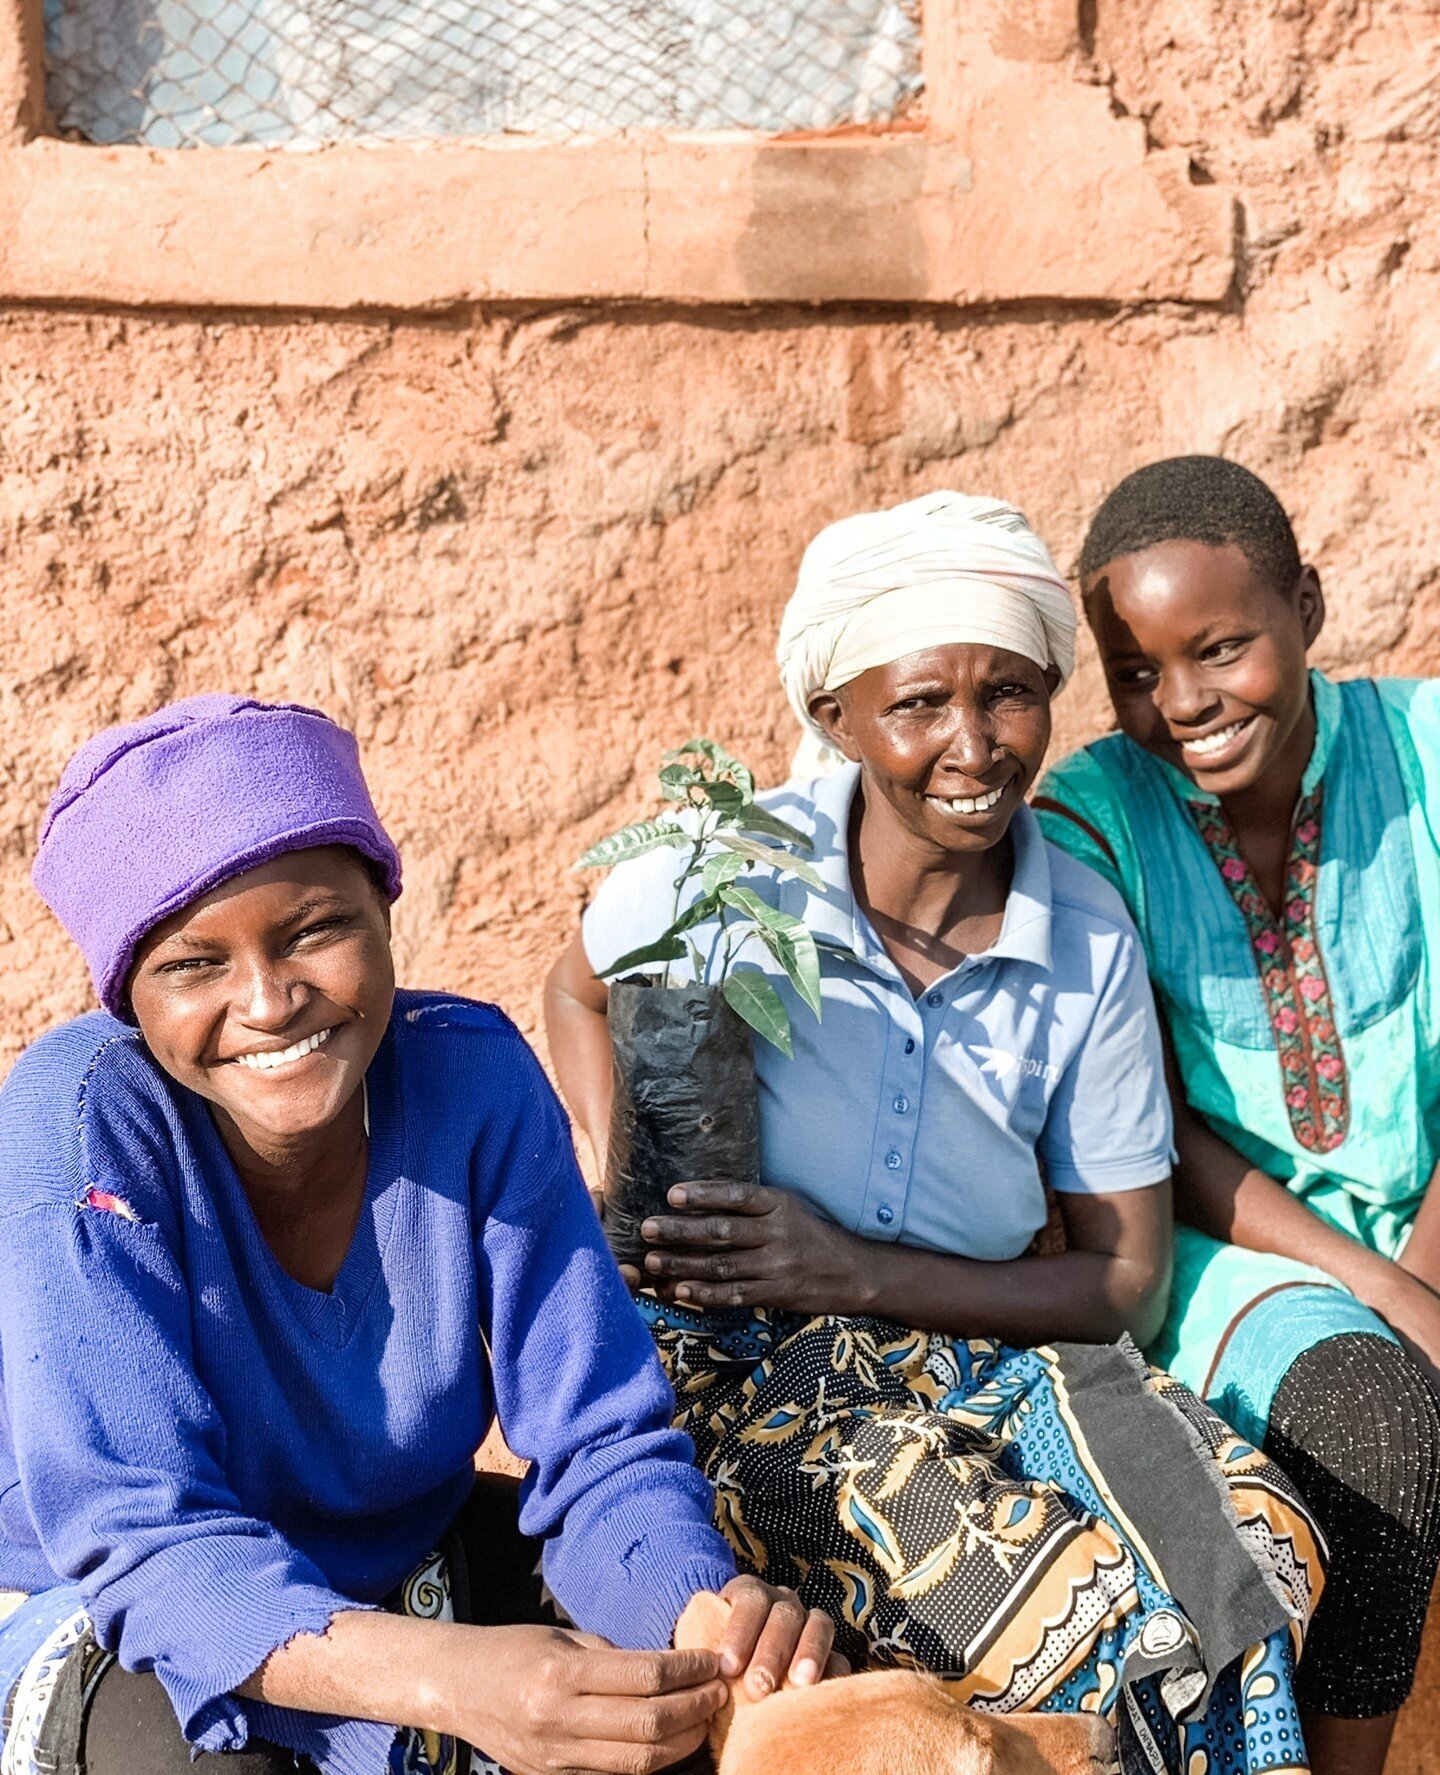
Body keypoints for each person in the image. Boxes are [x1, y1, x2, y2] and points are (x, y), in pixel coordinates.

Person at [546, 492, 1326, 1775]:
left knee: (1258, 1545)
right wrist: (612, 1153)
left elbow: (1124, 1279)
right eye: (917, 703)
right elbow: (576, 983)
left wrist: (848, 1268)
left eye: (1010, 694)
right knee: (1065, 1611)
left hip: (979, 1343)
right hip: (750, 1368)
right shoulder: (730, 872)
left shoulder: (1082, 938)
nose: (972, 743)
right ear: (834, 717)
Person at [0, 694, 833, 1775]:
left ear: (386, 914)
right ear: (129, 998)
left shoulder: (471, 1079)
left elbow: (598, 1444)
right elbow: (145, 1540)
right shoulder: (79, 1126)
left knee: (682, 1703)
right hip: (116, 1608)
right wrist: (455, 1679)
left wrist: (697, 1618)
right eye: (192, 965)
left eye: (314, 929)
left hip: (398, 1560)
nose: (268, 1000)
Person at [1033, 454, 1440, 1775]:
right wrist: (1388, 1295)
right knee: (1380, 1410)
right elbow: (1143, 1124)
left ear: (1308, 607)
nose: (1185, 703)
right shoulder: (1093, 817)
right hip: (1222, 1247)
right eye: (1137, 672)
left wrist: (1425, 1278)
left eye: (1221, 647)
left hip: (1424, 1213)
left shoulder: (1428, 749)